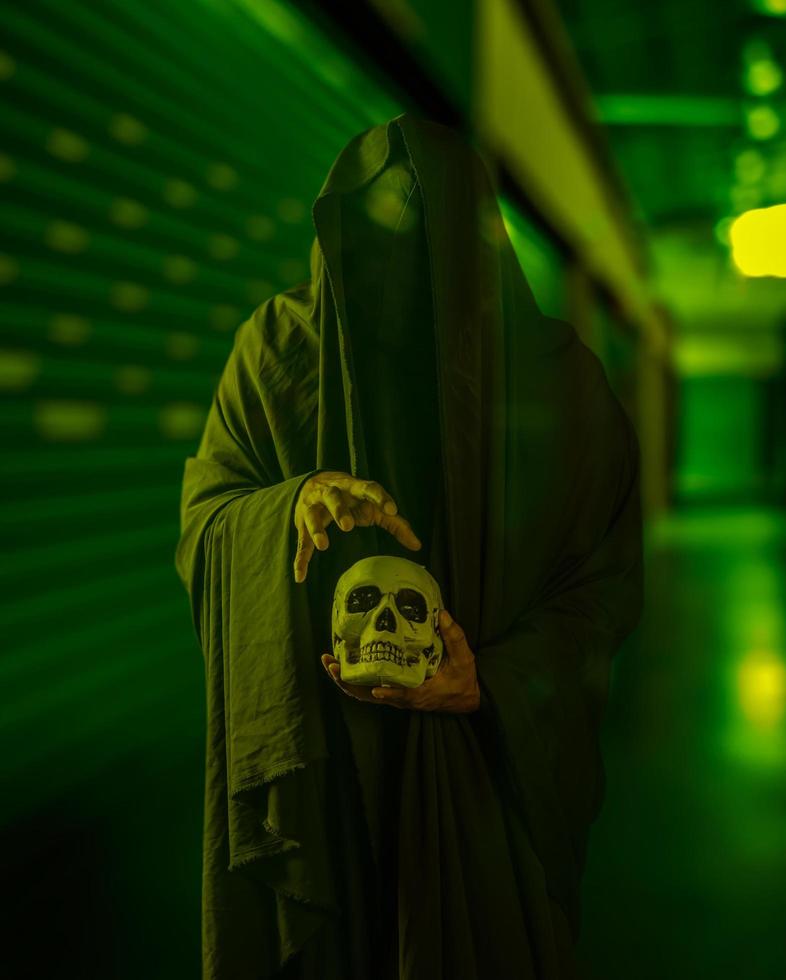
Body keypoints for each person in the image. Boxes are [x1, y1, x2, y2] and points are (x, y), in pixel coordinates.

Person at [174, 113, 643, 979]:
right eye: (378, 245)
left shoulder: (559, 385)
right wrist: (292, 504)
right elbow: (207, 517)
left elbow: (604, 588)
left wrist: (491, 682)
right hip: (326, 772)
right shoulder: (277, 352)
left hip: (484, 791)